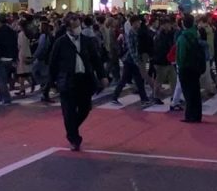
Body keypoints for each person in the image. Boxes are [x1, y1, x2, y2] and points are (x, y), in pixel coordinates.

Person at [48, 16, 107, 151]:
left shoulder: (87, 41)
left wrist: (102, 76)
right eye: (74, 26)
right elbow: (53, 63)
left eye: (78, 25)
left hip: (84, 80)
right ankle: (74, 138)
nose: (78, 28)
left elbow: (96, 60)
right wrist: (52, 83)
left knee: (85, 108)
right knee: (68, 112)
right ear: (68, 27)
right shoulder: (60, 43)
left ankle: (71, 129)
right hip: (67, 81)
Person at [110, 15, 151, 106]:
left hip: (132, 61)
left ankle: (144, 99)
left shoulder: (136, 32)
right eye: (137, 22)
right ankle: (143, 99)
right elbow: (131, 49)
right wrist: (137, 61)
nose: (139, 24)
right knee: (128, 80)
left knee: (136, 80)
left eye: (139, 22)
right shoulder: (131, 33)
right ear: (133, 23)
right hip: (130, 61)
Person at [176, 14, 204, 123]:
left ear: (183, 24)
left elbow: (181, 55)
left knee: (188, 92)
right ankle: (197, 115)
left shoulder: (183, 37)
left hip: (185, 68)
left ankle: (190, 115)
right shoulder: (196, 34)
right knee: (196, 91)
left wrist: (179, 65)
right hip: (195, 66)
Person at [0, 16, 18, 105]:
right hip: (10, 57)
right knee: (4, 78)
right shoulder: (12, 31)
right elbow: (15, 45)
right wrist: (15, 58)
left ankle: (6, 98)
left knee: (2, 80)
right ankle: (0, 95)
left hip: (0, 57)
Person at [151, 17, 176, 104]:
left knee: (173, 78)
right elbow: (160, 48)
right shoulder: (159, 36)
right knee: (159, 79)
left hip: (168, 60)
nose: (170, 26)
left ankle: (174, 97)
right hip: (161, 61)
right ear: (163, 25)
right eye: (168, 24)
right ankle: (156, 96)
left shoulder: (169, 33)